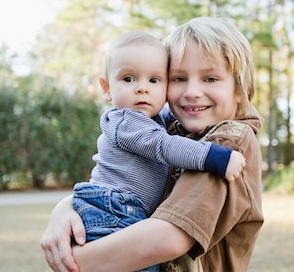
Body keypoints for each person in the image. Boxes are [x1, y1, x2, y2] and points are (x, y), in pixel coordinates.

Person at [41, 17, 264, 272]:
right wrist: (65, 209)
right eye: (178, 78)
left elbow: (169, 237)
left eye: (210, 79)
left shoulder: (229, 140)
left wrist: (75, 262)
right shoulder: (170, 130)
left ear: (240, 88)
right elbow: (117, 182)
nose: (192, 91)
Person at [72, 31, 245, 255]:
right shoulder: (125, 121)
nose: (142, 88)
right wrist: (216, 157)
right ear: (106, 88)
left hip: (128, 212)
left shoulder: (156, 119)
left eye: (154, 80)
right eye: (128, 79)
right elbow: (163, 146)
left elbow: (175, 120)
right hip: (112, 210)